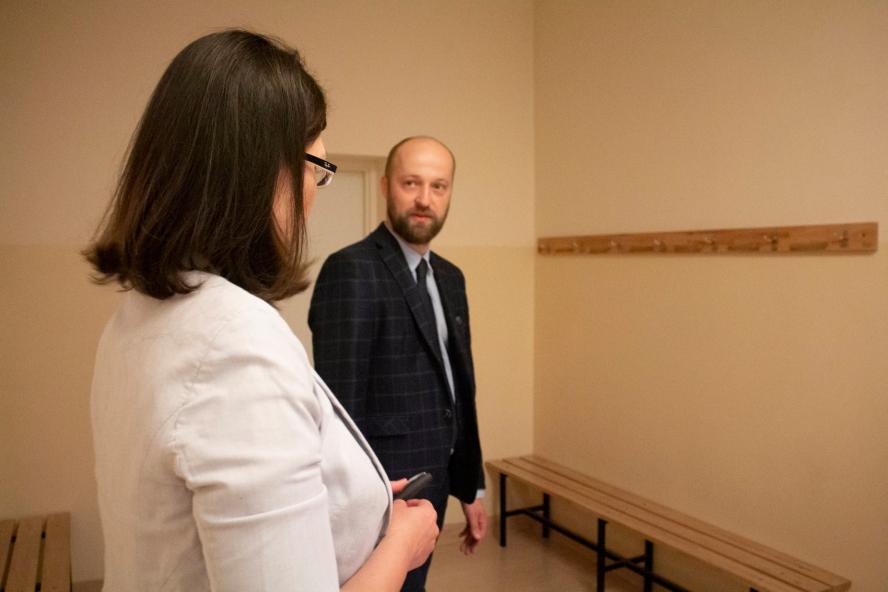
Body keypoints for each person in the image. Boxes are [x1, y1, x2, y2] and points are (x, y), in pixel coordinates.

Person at [84, 30, 438, 592]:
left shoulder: (138, 317)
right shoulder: (236, 345)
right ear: (263, 169)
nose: (314, 193)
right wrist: (401, 544)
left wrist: (357, 497)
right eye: (317, 168)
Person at [309, 136, 488, 591]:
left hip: (436, 480)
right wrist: (355, 504)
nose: (425, 199)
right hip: (383, 492)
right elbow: (340, 409)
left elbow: (459, 390)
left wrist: (471, 485)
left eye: (438, 186)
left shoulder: (450, 277)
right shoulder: (352, 270)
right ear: (386, 185)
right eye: (411, 183)